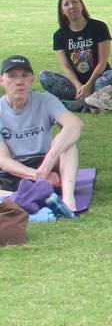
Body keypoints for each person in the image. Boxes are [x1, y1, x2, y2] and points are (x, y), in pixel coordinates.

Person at [0, 54, 82, 213]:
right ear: (2, 80)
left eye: (24, 76)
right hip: (14, 171)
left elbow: (75, 124)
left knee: (68, 143)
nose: (19, 82)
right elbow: (3, 160)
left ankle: (68, 200)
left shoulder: (46, 100)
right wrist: (38, 176)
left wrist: (47, 164)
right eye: (12, 76)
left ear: (32, 80)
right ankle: (31, 193)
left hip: (44, 162)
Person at [39, 0, 112, 112]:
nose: (72, 6)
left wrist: (89, 85)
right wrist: (79, 86)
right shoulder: (59, 35)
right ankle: (93, 100)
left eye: (75, 2)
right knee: (43, 77)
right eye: (66, 4)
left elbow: (102, 62)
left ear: (82, 6)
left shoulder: (99, 27)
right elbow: (66, 67)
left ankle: (83, 101)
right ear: (62, 11)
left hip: (98, 81)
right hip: (75, 86)